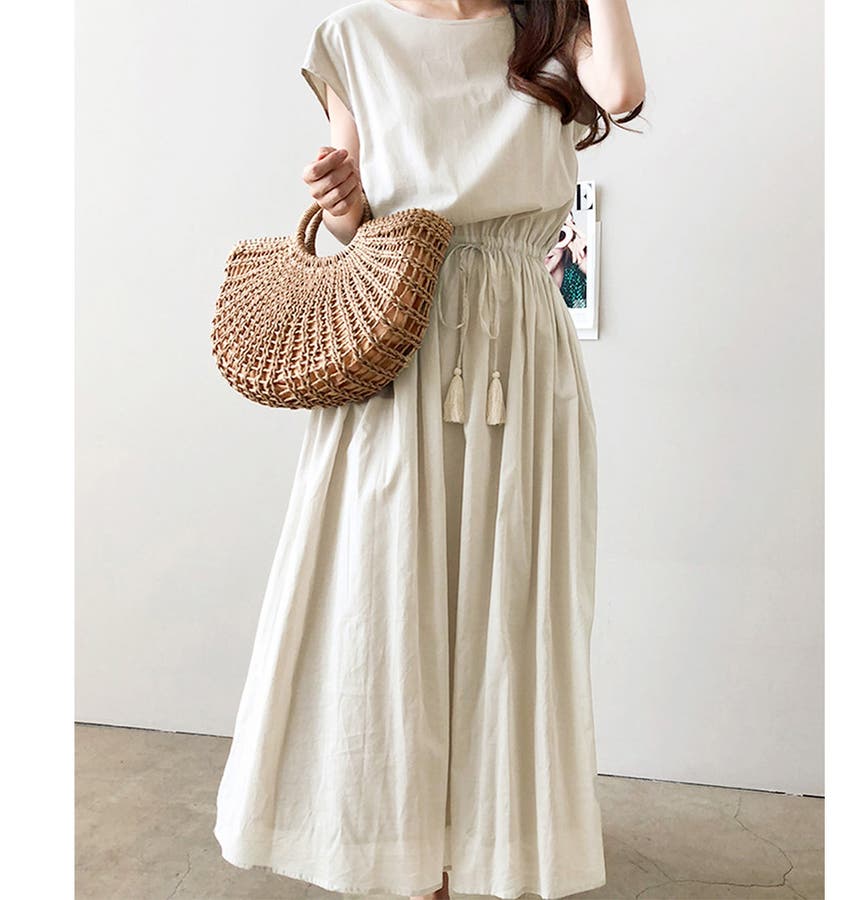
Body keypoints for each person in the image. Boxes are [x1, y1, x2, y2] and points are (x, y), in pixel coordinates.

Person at [213, 2, 645, 898]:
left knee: (511, 603)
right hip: (402, 344)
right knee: (387, 599)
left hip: (520, 350)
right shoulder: (351, 36)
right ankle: (410, 860)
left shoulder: (549, 21)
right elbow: (362, 224)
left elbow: (623, 91)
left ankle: (488, 850)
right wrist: (343, 205)